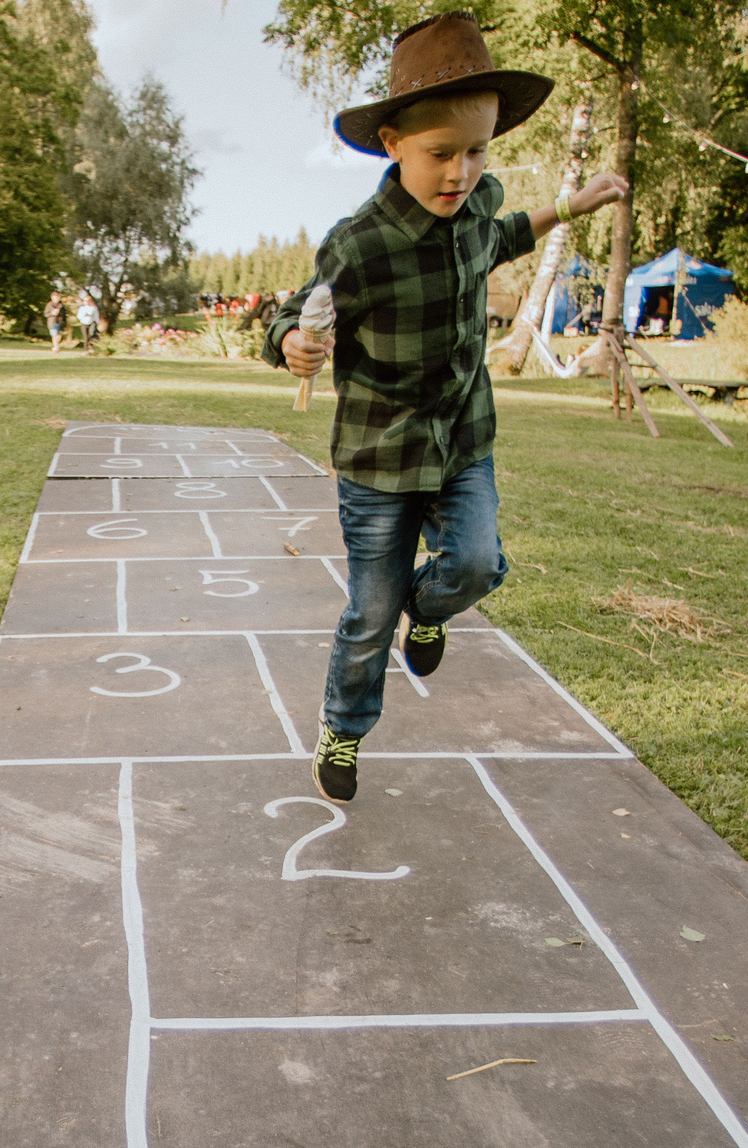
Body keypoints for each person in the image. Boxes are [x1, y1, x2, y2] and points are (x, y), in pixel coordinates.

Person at [265, 13, 626, 803]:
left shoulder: (474, 205)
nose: (460, 172)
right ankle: (343, 726)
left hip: (462, 438)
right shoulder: (358, 244)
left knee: (475, 563)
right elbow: (296, 310)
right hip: (379, 457)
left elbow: (499, 237)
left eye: (477, 151)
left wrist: (574, 205)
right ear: (393, 142)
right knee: (369, 611)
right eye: (441, 154)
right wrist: (294, 341)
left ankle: (426, 612)